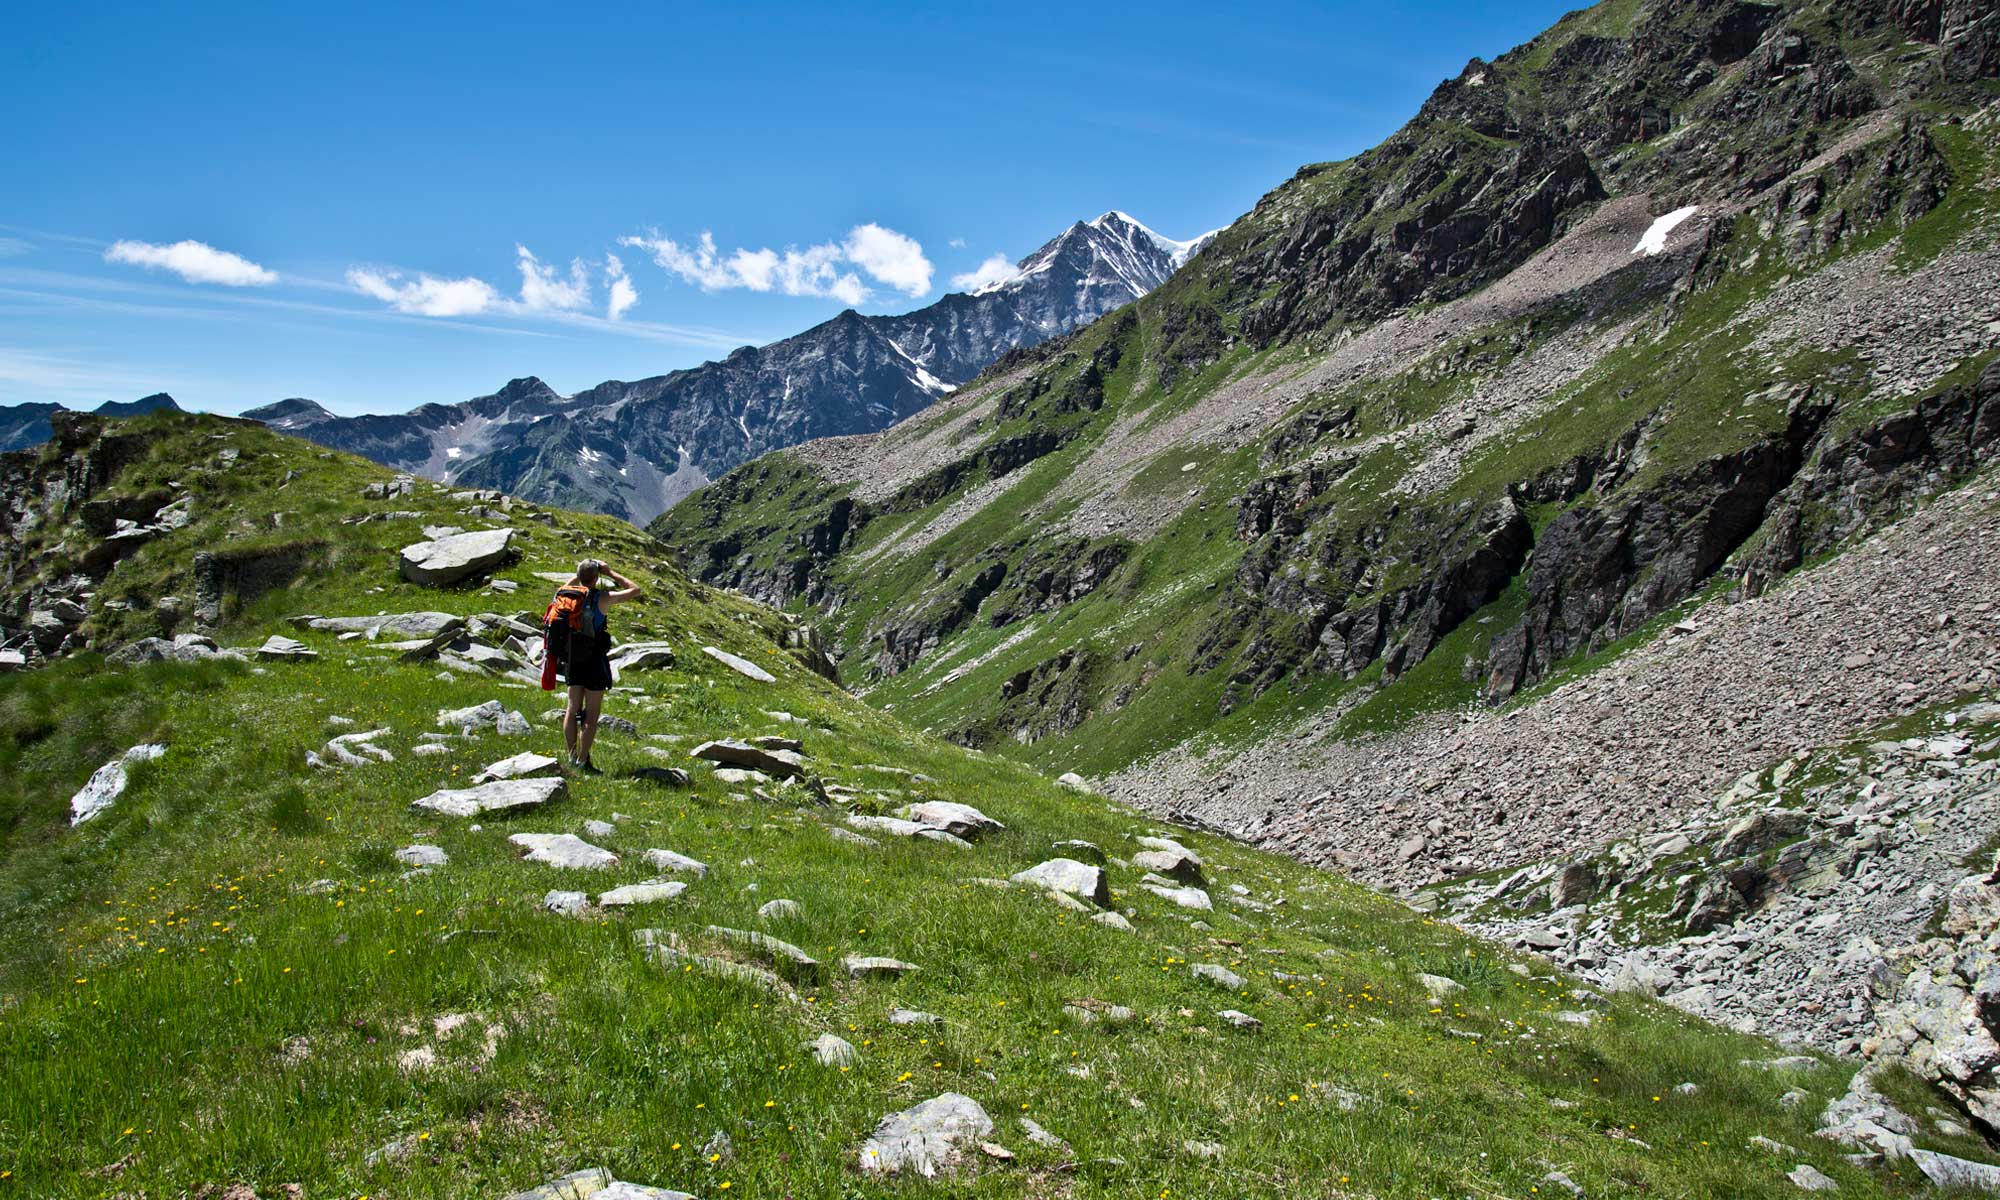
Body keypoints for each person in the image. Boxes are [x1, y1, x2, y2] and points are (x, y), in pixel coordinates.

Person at [555, 558, 641, 773]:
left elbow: (562, 588)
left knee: (572, 708)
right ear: (597, 577)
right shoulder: (602, 598)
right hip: (594, 660)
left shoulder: (567, 596)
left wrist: (579, 574)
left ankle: (571, 755)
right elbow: (635, 590)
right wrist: (610, 573)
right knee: (591, 715)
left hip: (573, 657)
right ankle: (583, 761)